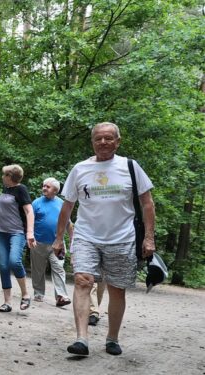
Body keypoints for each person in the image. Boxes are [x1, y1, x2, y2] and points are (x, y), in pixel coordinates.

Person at [54, 122, 155, 357]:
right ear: (92, 142)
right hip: (86, 235)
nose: (103, 142)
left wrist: (148, 238)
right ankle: (81, 339)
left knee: (117, 290)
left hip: (122, 238)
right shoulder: (80, 169)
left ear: (118, 141)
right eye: (98, 138)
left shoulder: (130, 167)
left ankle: (112, 338)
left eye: (109, 138)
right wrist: (59, 238)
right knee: (82, 280)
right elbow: (67, 205)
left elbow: (147, 203)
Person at [0, 164, 36, 312]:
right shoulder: (6, 189)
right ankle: (7, 302)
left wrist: (30, 233)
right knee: (4, 265)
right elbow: (3, 211)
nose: (2, 177)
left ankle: (25, 295)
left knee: (14, 261)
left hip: (16, 232)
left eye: (4, 175)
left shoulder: (21, 189)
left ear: (10, 177)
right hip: (0, 232)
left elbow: (29, 211)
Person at [31, 177, 72, 307]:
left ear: (55, 190)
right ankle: (38, 293)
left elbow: (68, 223)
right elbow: (30, 222)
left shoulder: (62, 203)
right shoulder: (36, 203)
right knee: (38, 270)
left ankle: (61, 296)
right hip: (38, 243)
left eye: (47, 187)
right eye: (43, 186)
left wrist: (72, 240)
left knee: (59, 268)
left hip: (57, 243)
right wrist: (30, 236)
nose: (44, 188)